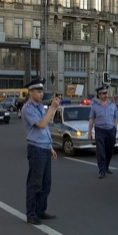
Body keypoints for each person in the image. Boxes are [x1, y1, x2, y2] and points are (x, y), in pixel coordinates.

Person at [21, 78, 59, 225]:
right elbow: (42, 124)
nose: (41, 93)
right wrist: (52, 108)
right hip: (36, 148)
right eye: (38, 91)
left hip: (44, 147)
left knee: (46, 183)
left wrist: (50, 147)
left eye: (42, 91)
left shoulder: (40, 107)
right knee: (34, 183)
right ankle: (31, 213)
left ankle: (40, 210)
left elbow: (46, 128)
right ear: (30, 92)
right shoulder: (28, 108)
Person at [88, 85, 118, 179]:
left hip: (110, 130)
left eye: (106, 93)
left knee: (109, 150)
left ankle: (106, 167)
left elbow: (116, 116)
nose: (105, 95)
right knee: (100, 151)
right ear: (99, 95)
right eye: (103, 93)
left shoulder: (112, 105)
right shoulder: (95, 106)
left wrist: (115, 128)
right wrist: (89, 132)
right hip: (99, 130)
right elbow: (91, 119)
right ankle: (101, 170)